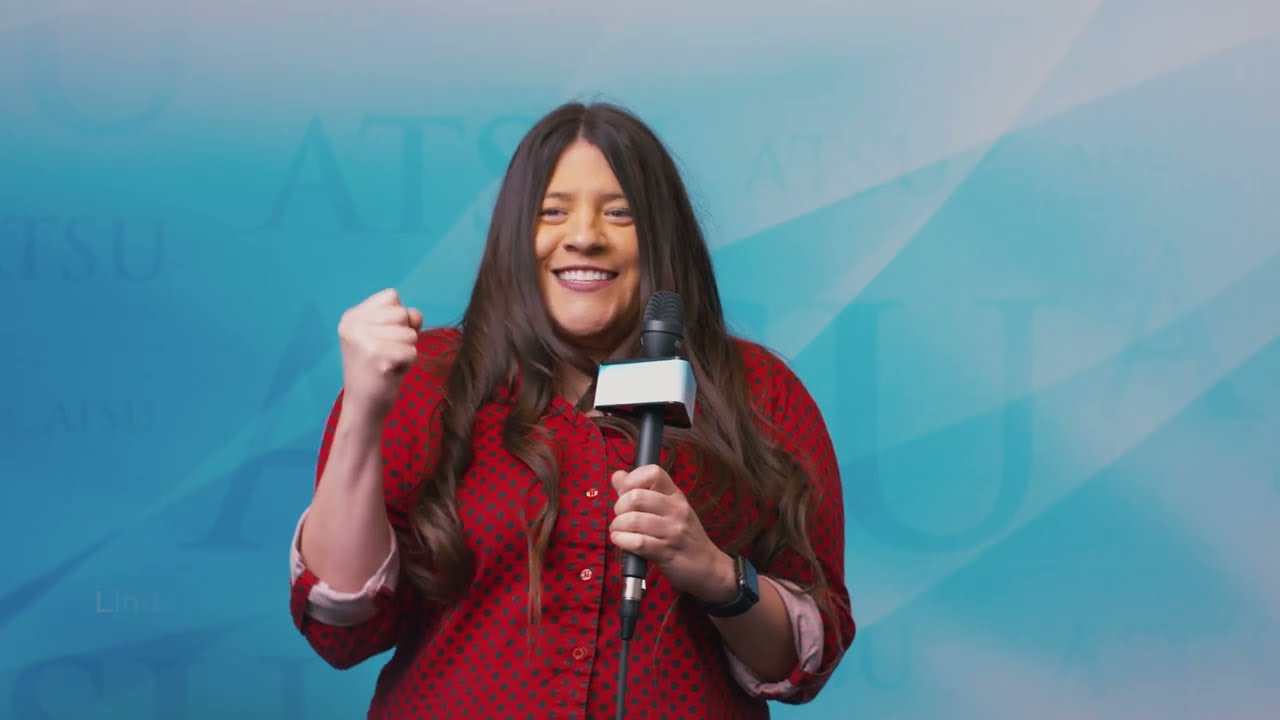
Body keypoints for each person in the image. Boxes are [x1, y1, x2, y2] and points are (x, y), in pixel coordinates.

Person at [288, 100, 855, 719]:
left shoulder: (759, 393)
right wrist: (364, 412)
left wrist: (716, 574)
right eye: (552, 212)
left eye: (619, 213)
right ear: (514, 236)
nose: (584, 236)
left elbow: (806, 661)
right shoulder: (423, 380)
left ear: (662, 236)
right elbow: (341, 627)